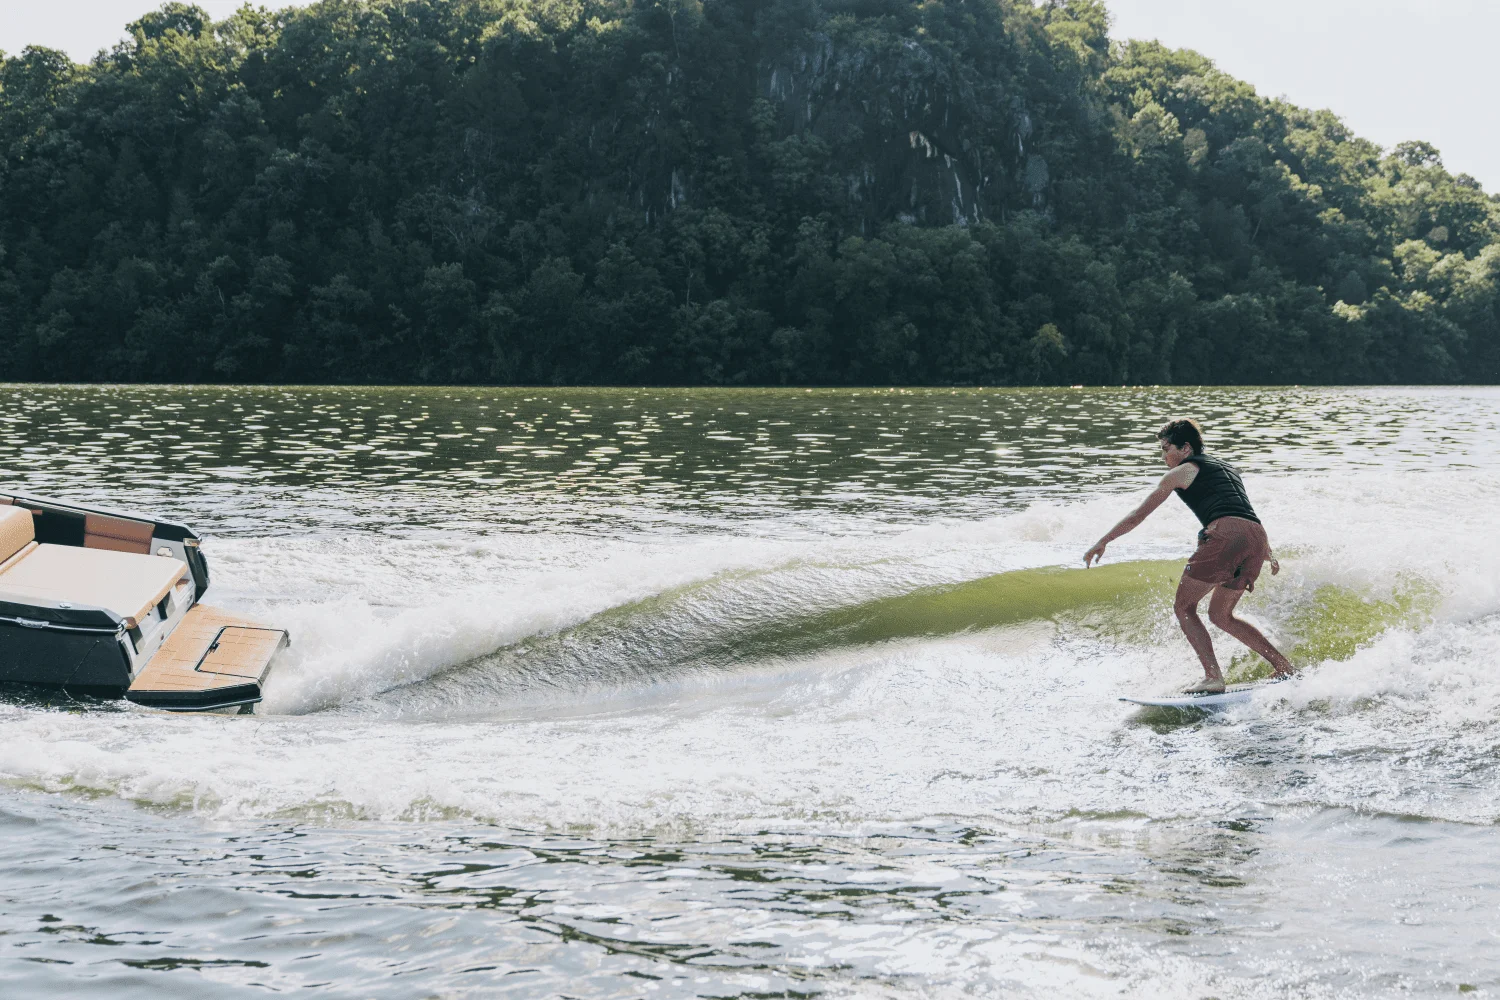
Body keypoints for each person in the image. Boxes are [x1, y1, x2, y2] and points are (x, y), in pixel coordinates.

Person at [1083, 418, 1294, 694]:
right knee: (1221, 615)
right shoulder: (1228, 469)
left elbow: (1138, 514)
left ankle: (1213, 677)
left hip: (1226, 535)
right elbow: (1243, 512)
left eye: (1166, 449)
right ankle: (1283, 666)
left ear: (1185, 448)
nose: (1163, 456)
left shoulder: (1182, 471)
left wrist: (1104, 540)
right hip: (1256, 537)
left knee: (1184, 607)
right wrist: (1267, 552)